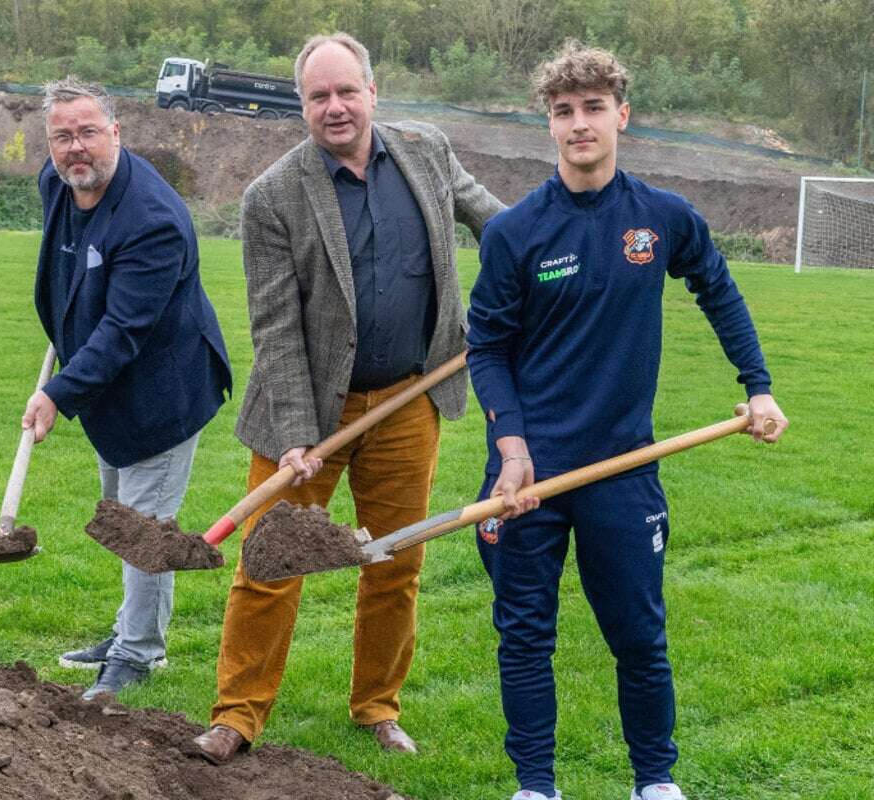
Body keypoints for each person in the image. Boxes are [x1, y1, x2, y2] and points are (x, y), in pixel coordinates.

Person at [465, 42, 788, 800]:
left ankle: (655, 782)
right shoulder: (516, 232)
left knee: (641, 639)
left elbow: (720, 291)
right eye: (564, 112)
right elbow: (486, 349)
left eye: (593, 108)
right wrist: (511, 447)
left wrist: (759, 386)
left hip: (623, 469)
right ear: (549, 125)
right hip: (529, 474)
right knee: (524, 638)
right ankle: (536, 786)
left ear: (623, 115)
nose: (580, 124)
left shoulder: (663, 218)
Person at [192, 33, 505, 764]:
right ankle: (237, 715)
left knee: (395, 563)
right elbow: (274, 325)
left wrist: (544, 269)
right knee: (269, 564)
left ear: (373, 91)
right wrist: (299, 434)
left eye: (345, 91)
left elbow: (502, 225)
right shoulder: (273, 196)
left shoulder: (426, 151)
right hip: (303, 414)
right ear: (300, 104)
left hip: (408, 401)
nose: (334, 107)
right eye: (317, 96)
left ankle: (377, 707)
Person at [22, 77, 231, 701]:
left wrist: (59, 392)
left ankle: (136, 656)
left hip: (161, 391)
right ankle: (131, 634)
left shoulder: (154, 220)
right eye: (62, 136)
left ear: (116, 132)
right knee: (125, 517)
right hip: (109, 384)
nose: (75, 148)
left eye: (88, 132)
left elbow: (124, 329)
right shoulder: (56, 185)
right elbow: (69, 273)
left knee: (143, 527)